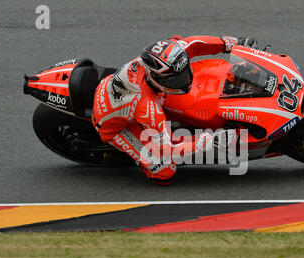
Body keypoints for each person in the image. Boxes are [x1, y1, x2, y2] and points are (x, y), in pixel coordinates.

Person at [91, 35, 258, 185]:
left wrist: (233, 44)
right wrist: (208, 141)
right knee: (165, 170)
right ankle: (142, 161)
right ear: (155, 78)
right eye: (176, 80)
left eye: (183, 73)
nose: (185, 80)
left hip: (126, 92)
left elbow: (194, 44)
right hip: (115, 127)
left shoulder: (168, 56)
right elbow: (166, 150)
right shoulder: (148, 109)